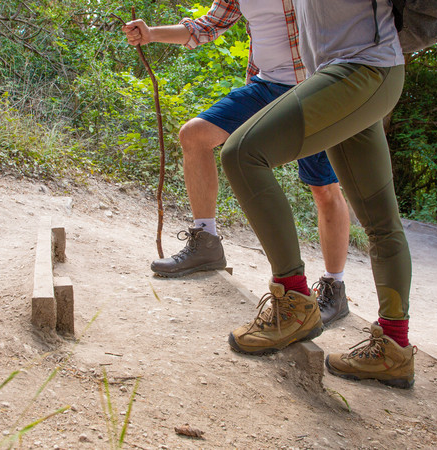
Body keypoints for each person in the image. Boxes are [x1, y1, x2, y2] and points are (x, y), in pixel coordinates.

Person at [220, 0, 415, 389]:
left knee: (242, 154)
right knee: (380, 221)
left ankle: (293, 303)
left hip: (365, 69)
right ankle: (394, 349)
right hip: (346, 74)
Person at [122, 0, 350, 325]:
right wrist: (151, 33)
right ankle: (206, 244)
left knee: (325, 189)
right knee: (194, 135)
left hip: (314, 89)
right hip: (264, 86)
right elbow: (207, 26)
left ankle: (334, 287)